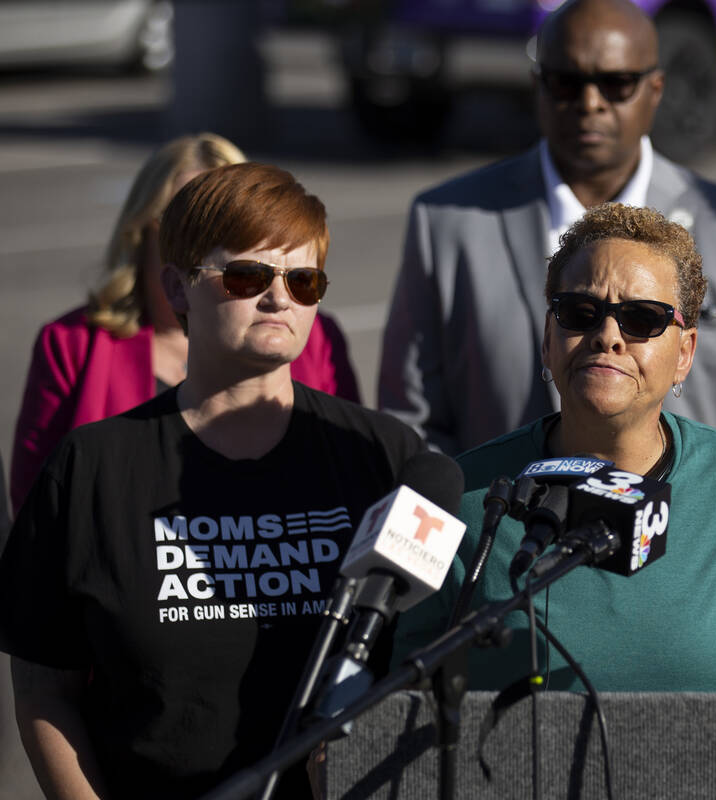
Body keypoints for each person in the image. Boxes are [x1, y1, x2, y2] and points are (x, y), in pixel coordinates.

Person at [0, 163, 425, 799]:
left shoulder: (381, 455)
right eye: (248, 275)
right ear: (177, 287)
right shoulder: (91, 466)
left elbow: (421, 661)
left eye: (303, 280)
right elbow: (42, 688)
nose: (279, 297)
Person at [393, 203, 716, 696]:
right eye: (580, 313)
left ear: (685, 354)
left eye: (642, 319)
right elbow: (398, 687)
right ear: (548, 339)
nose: (607, 336)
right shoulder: (461, 496)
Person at [378, 0, 716, 478]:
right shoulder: (446, 221)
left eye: (616, 83)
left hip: (688, 542)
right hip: (502, 537)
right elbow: (412, 421)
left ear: (655, 89)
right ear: (537, 87)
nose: (590, 103)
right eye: (566, 82)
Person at [10, 133, 360, 513]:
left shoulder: (314, 337)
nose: (200, 242)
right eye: (185, 223)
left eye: (231, 228)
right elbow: (37, 504)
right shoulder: (72, 344)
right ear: (141, 231)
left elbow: (352, 473)